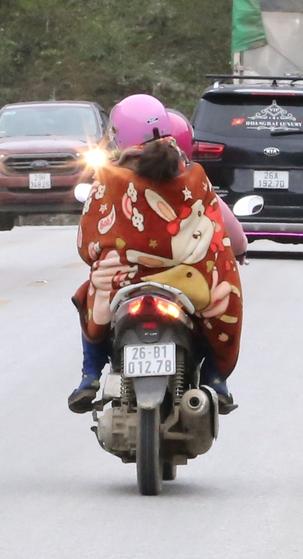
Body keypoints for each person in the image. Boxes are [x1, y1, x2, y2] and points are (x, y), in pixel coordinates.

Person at [69, 93, 243, 414]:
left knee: (91, 292)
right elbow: (217, 237)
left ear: (119, 135)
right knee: (222, 288)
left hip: (123, 284)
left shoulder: (108, 178)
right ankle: (216, 378)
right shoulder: (195, 177)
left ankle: (90, 377)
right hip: (188, 282)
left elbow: (88, 243)